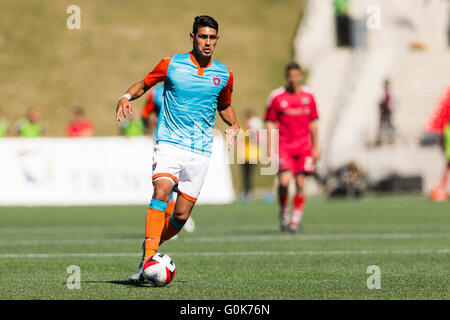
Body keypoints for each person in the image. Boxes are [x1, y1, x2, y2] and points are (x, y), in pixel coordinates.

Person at [115, 15, 239, 282]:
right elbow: (144, 84)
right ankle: (149, 257)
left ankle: (151, 249)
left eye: (212, 38)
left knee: (180, 216)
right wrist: (126, 96)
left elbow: (225, 105)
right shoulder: (171, 64)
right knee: (161, 190)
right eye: (203, 36)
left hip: (200, 150)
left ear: (217, 40)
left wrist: (234, 124)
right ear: (192, 37)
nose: (207, 42)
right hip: (169, 143)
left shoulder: (224, 73)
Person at [265, 62, 319, 233]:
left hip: (304, 146)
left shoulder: (309, 96)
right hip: (284, 146)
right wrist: (269, 146)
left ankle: (295, 221)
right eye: (290, 76)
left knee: (301, 183)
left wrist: (316, 146)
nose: (293, 79)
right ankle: (284, 212)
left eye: (296, 76)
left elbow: (314, 123)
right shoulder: (277, 97)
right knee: (284, 181)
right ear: (287, 77)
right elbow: (270, 122)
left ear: (300, 76)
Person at [239, 110, 263, 202]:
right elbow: (240, 142)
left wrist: (255, 131)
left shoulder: (255, 132)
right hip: (244, 156)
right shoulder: (243, 130)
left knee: (249, 175)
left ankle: (249, 192)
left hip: (253, 156)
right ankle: (245, 192)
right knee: (244, 175)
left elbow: (258, 141)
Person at [376, 79, 395, 146]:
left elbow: (393, 102)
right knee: (381, 126)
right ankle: (379, 140)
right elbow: (379, 102)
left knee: (390, 125)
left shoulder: (391, 93)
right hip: (383, 112)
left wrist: (391, 109)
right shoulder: (381, 93)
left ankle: (391, 139)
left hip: (388, 111)